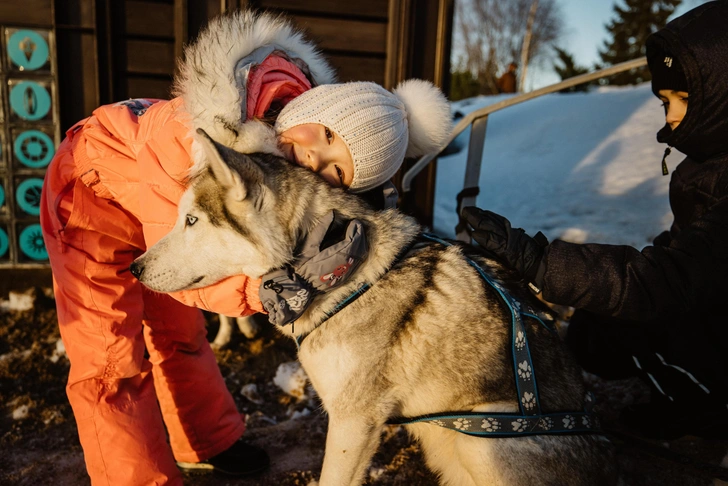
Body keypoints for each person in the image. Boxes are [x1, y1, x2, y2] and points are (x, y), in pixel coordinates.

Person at [39, 9, 451, 486]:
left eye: (338, 171)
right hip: (87, 200)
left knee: (179, 333)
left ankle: (205, 440)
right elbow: (189, 269)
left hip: (166, 215)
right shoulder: (194, 141)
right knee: (111, 358)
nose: (316, 157)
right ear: (318, 105)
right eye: (329, 136)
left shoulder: (281, 141)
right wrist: (268, 292)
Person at [462, 0, 728, 440]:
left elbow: (671, 280)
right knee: (595, 326)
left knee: (622, 329)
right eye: (664, 102)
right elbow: (685, 251)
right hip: (712, 317)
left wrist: (539, 262)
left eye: (681, 99)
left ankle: (707, 408)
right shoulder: (710, 163)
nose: (672, 117)